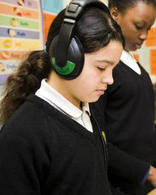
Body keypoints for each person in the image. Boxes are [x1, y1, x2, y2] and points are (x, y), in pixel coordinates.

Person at [0, 1, 124, 194]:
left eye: (113, 69)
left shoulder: (86, 112)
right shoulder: (22, 135)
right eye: (101, 67)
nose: (110, 79)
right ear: (65, 58)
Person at [90, 0, 156, 194]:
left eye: (149, 29)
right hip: (117, 184)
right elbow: (97, 142)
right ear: (114, 14)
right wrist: (150, 173)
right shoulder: (102, 69)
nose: (144, 36)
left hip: (141, 180)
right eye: (139, 26)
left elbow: (144, 128)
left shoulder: (135, 67)